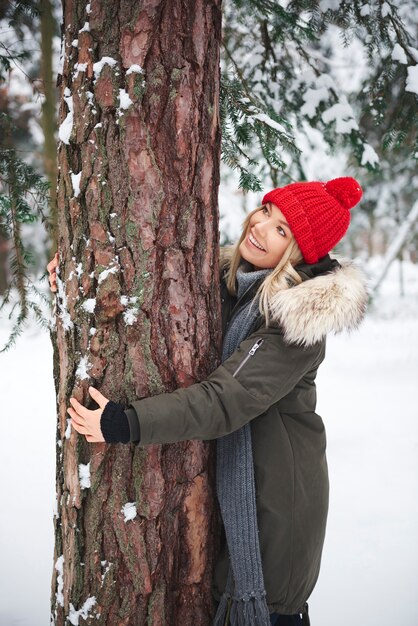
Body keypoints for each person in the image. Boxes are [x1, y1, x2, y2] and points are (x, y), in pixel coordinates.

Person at [47, 176, 368, 626]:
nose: (260, 227)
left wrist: (128, 421)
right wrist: (78, 278)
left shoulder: (295, 326)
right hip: (231, 498)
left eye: (282, 231)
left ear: (299, 255)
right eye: (266, 212)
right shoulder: (228, 283)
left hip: (274, 517)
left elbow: (224, 401)